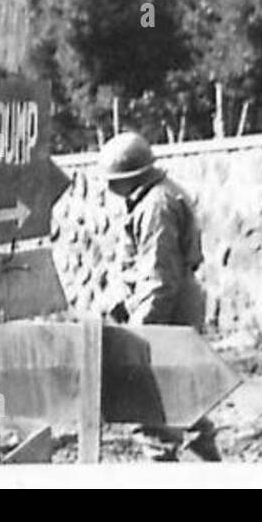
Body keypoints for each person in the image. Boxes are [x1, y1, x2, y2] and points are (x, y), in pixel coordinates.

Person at [100, 131, 220, 461]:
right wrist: (123, 303)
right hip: (176, 304)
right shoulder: (159, 195)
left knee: (150, 410)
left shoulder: (155, 205)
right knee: (185, 402)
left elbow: (159, 280)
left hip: (168, 310)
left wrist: (137, 338)